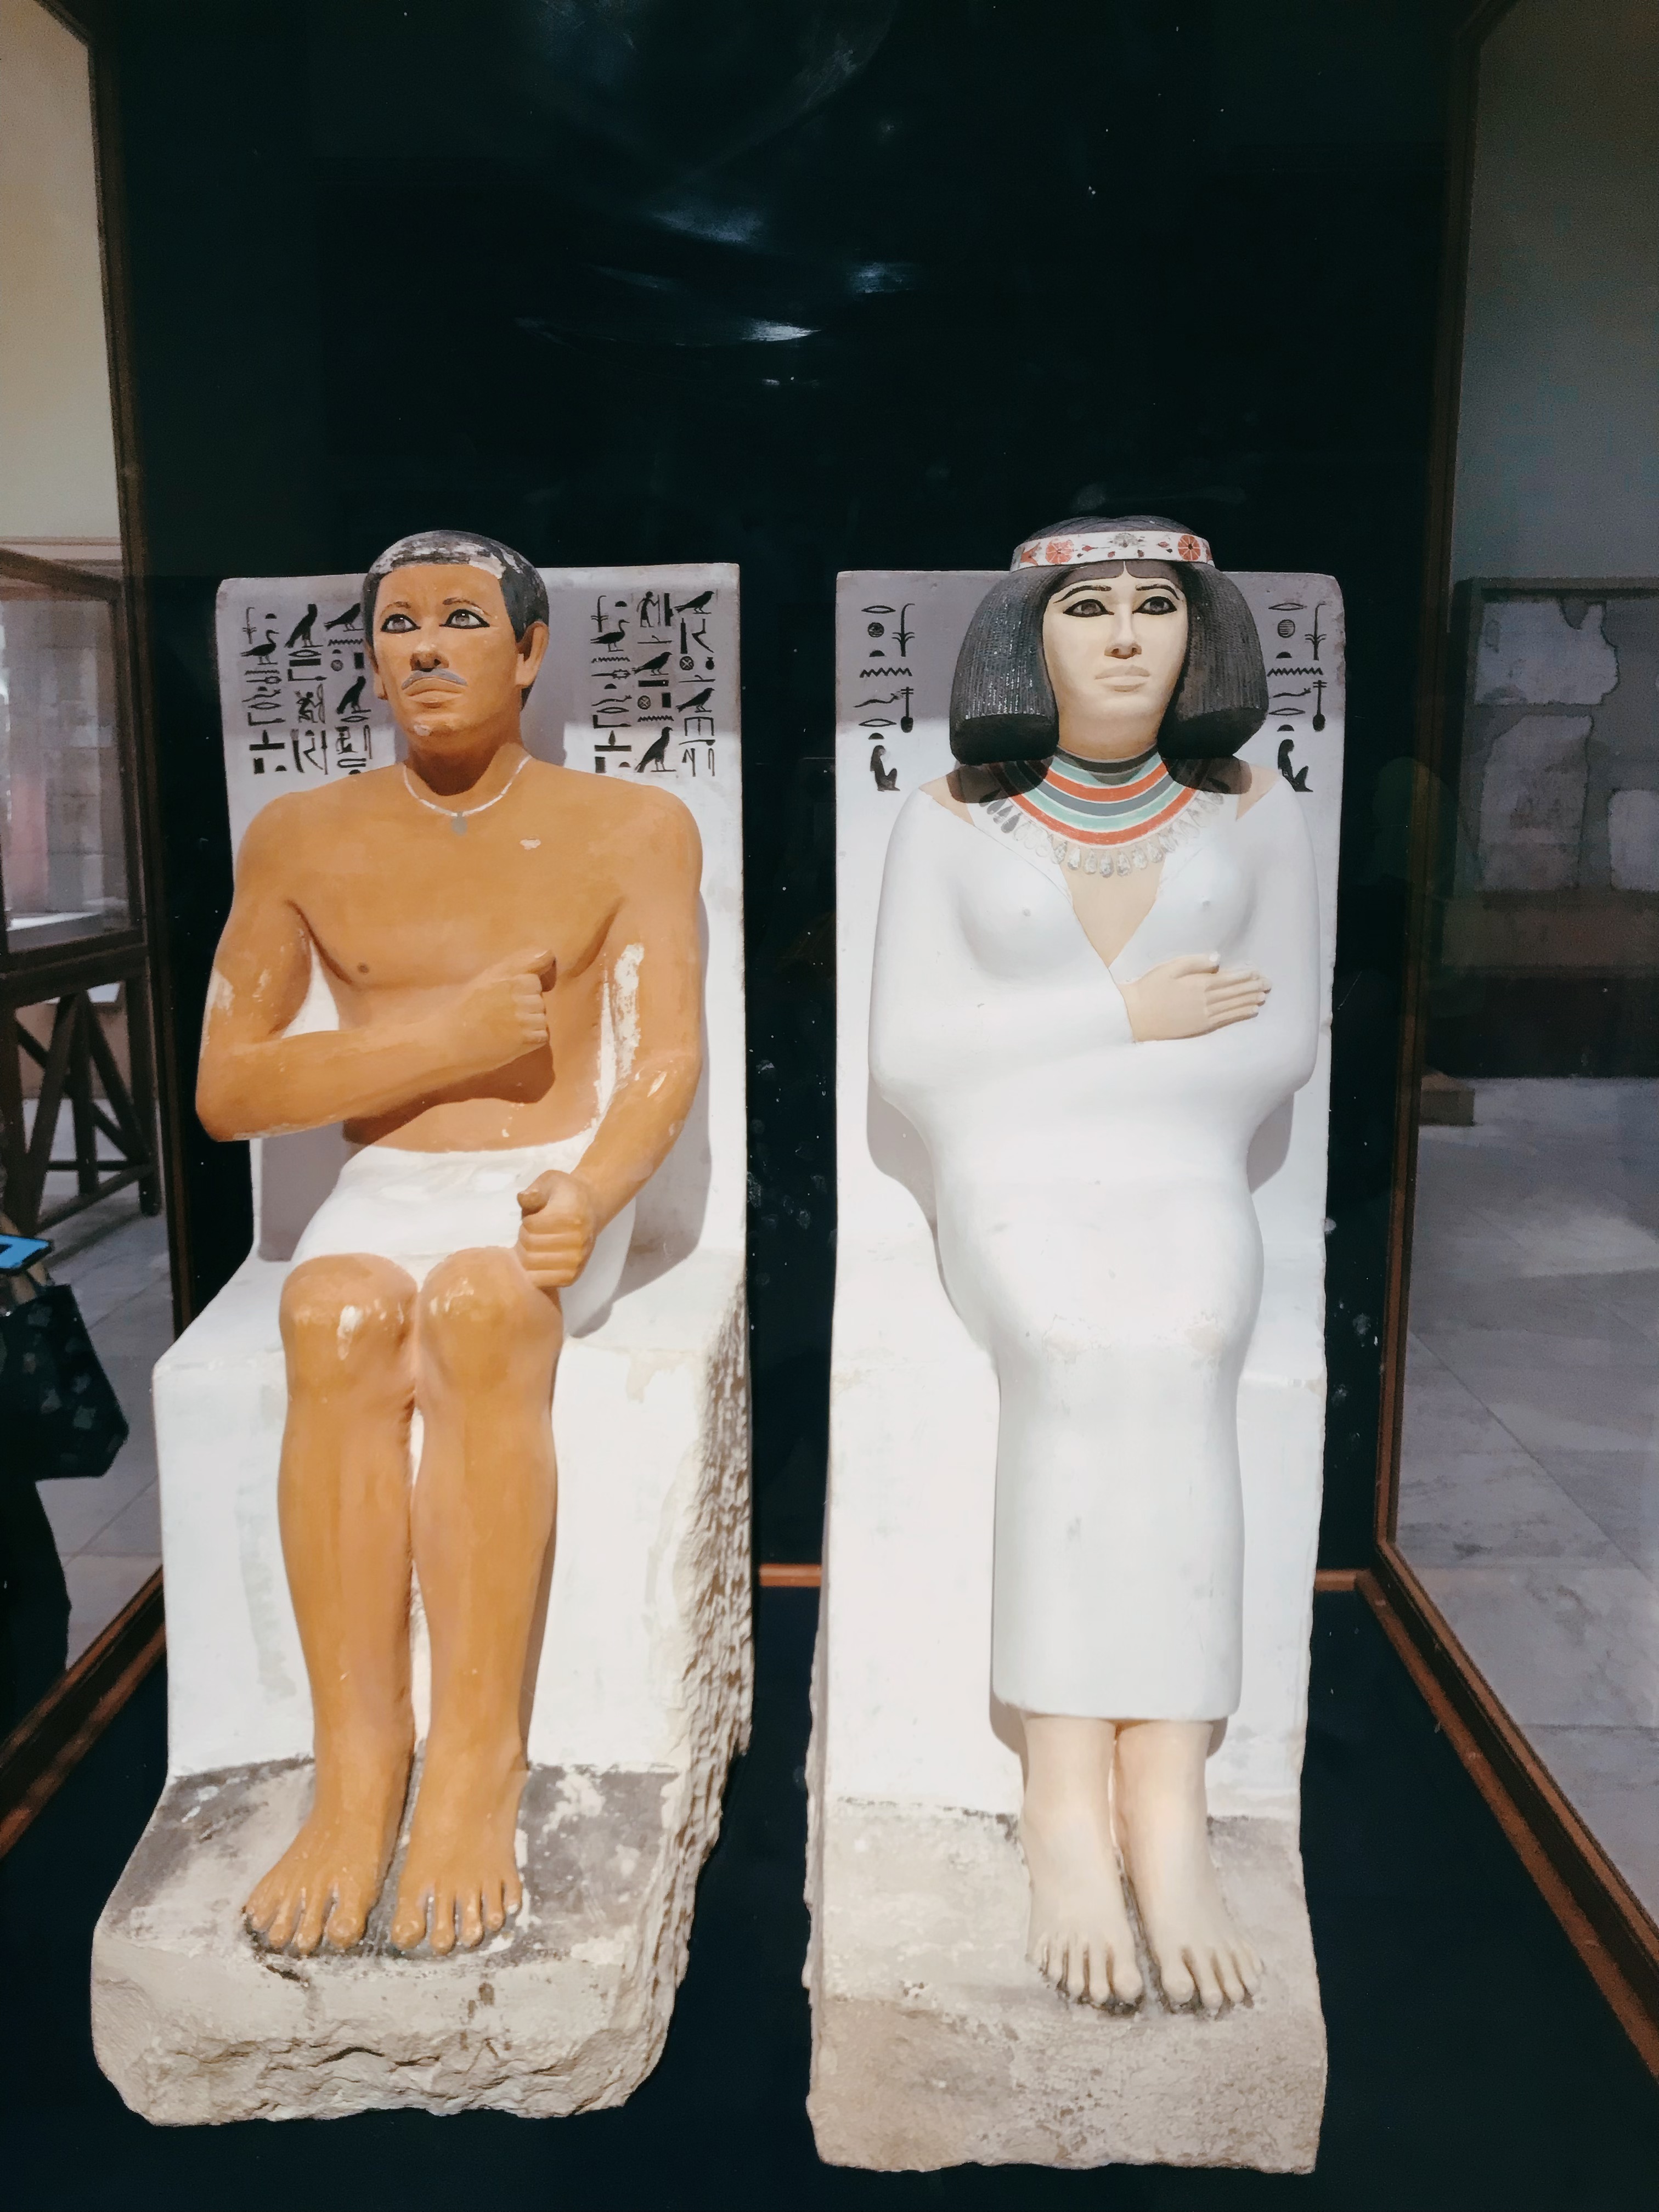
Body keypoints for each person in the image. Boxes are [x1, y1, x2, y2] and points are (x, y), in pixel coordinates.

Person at [196, 530, 703, 1957]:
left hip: (549, 1177)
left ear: (530, 651)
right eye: (397, 623)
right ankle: (357, 1766)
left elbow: (663, 1057)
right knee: (332, 1320)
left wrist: (591, 1194)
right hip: (392, 1178)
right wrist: (446, 1036)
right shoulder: (302, 837)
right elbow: (230, 1091)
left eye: (463, 621)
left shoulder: (634, 826)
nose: (423, 647)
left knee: (483, 1312)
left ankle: (476, 1761)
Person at [869, 516, 1318, 2013]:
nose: (1125, 637)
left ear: (1200, 630)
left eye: (1154, 607)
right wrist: (1121, 1019)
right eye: (1088, 609)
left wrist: (1084, 1063)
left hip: (1184, 1161)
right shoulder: (949, 818)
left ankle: (1169, 1804)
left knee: (1180, 1350)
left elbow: (1274, 1043)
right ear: (1029, 634)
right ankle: (1065, 1798)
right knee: (1073, 1354)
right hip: (1009, 1170)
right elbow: (914, 1057)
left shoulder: (1255, 811)